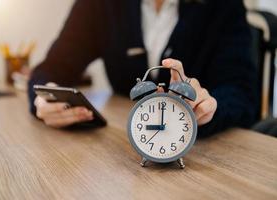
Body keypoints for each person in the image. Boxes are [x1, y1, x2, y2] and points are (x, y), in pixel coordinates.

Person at [28, 0, 258, 137]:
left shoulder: (224, 6)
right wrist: (44, 99)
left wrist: (208, 107)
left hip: (200, 153)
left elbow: (242, 93)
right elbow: (50, 69)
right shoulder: (98, 5)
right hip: (124, 151)